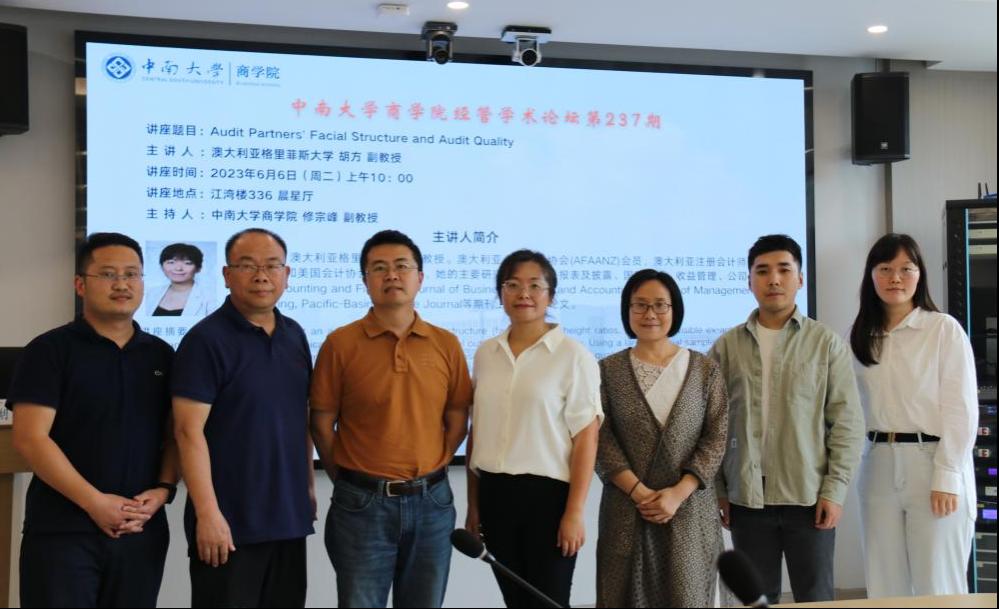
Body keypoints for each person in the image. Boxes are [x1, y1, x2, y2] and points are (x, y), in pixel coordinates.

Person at [7, 232, 178, 607]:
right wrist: (94, 502)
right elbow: (30, 438)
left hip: (140, 530)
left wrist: (164, 489)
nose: (122, 284)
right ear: (80, 284)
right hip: (63, 531)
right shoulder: (49, 350)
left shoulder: (161, 355)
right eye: (109, 274)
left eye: (132, 274)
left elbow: (175, 435)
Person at [310, 229, 472, 608]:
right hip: (362, 506)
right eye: (379, 268)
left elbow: (456, 414)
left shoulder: (446, 343)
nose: (392, 275)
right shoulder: (340, 343)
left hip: (432, 503)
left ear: (420, 277)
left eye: (402, 266)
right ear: (365, 280)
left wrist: (437, 461)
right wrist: (348, 479)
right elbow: (321, 422)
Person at [709, 234, 864, 604]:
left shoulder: (825, 343)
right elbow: (712, 425)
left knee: (815, 597)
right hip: (747, 500)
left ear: (800, 279)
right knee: (756, 599)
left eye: (783, 270)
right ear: (749, 281)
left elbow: (846, 423)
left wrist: (834, 491)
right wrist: (719, 490)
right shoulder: (726, 347)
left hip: (808, 499)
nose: (773, 279)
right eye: (762, 271)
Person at [172, 228, 315, 608]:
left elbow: (300, 416)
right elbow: (187, 431)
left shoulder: (294, 335)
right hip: (229, 524)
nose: (261, 276)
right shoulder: (205, 340)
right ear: (226, 274)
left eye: (272, 266)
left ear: (287, 274)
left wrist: (308, 487)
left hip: (287, 519)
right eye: (247, 265)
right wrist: (207, 513)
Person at [465, 249, 602, 608]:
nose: (523, 294)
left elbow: (586, 438)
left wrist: (574, 513)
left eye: (534, 285)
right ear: (500, 293)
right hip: (495, 495)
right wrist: (473, 505)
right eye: (512, 285)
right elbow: (478, 431)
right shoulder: (486, 353)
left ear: (550, 295)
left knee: (549, 601)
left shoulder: (574, 356)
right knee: (515, 602)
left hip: (549, 500)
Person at [849, 233, 978, 597]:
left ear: (920, 275)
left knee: (937, 584)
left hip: (932, 462)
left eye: (906, 269)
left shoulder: (942, 329)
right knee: (885, 585)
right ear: (871, 275)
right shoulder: (859, 336)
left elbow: (961, 409)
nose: (895, 278)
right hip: (877, 464)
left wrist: (947, 475)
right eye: (885, 269)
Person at [595, 269, 728, 608]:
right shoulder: (606, 371)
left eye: (660, 305)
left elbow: (716, 437)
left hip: (690, 509)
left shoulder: (704, 370)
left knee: (689, 595)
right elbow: (601, 439)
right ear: (627, 310)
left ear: (674, 309)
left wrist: (678, 493)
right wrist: (640, 493)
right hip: (627, 510)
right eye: (639, 305)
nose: (649, 314)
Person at [148, 242, 213, 317]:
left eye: (187, 263)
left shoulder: (210, 298)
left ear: (198, 268)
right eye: (171, 262)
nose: (178, 268)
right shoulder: (150, 293)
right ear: (162, 266)